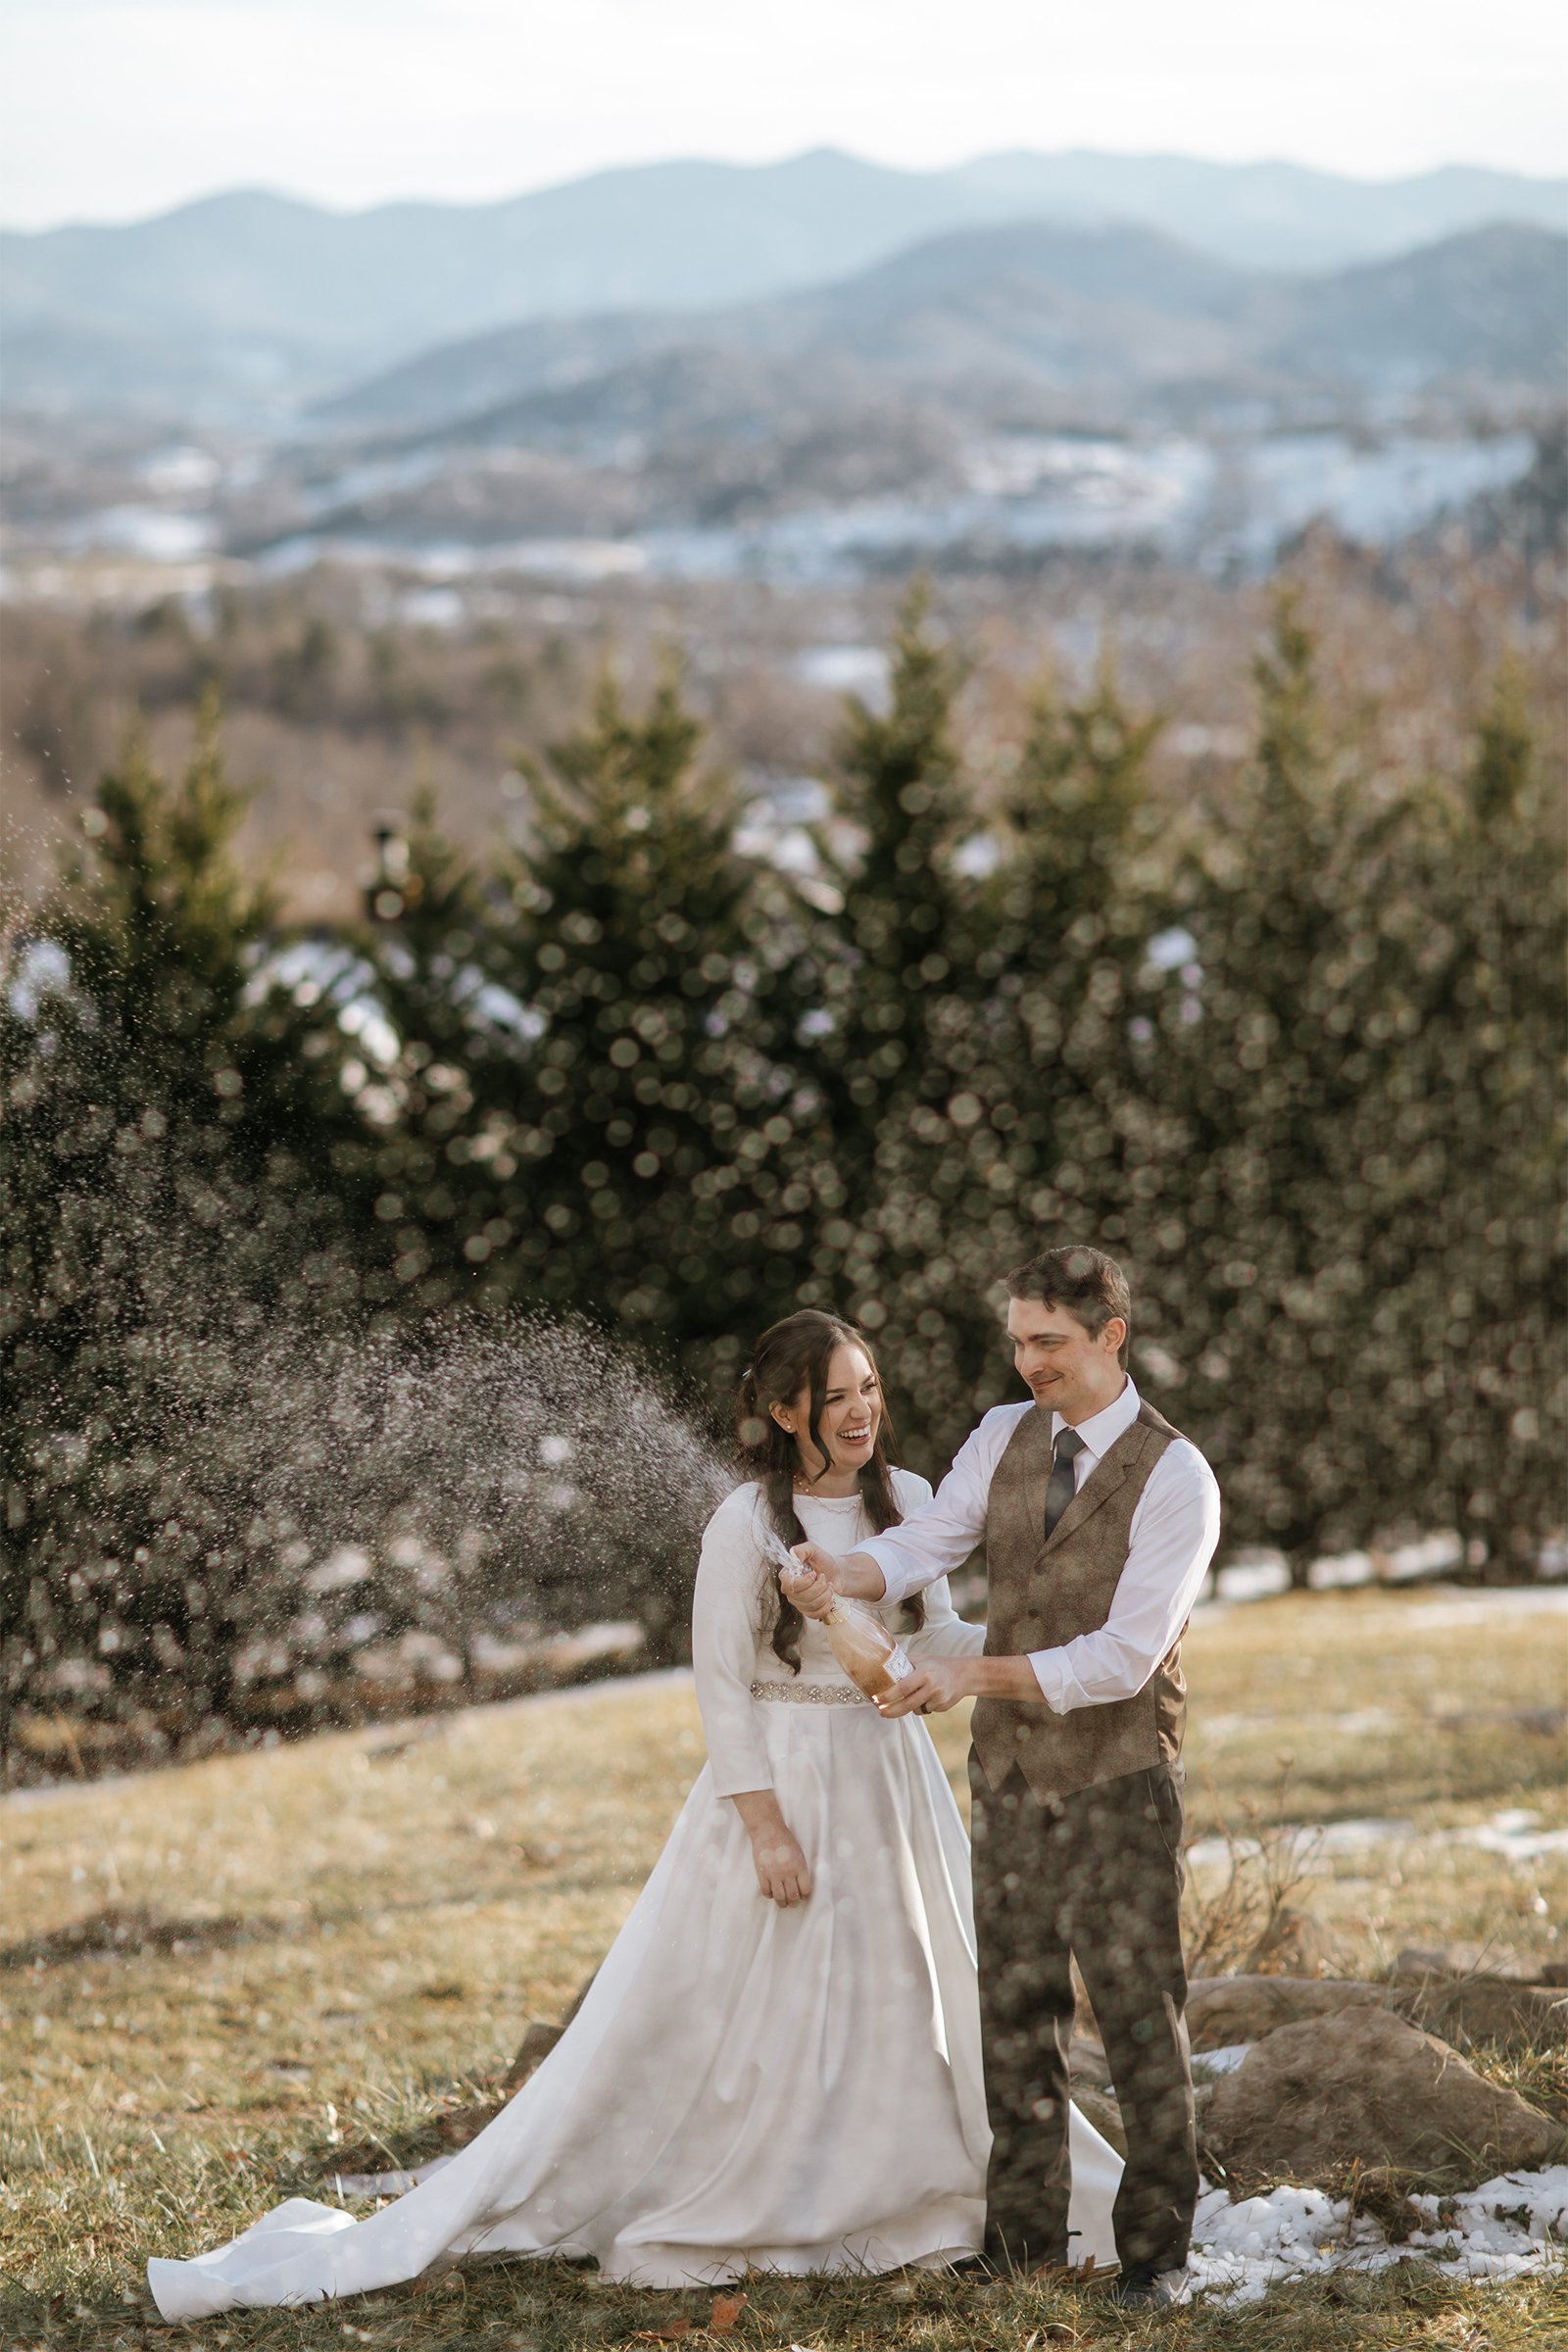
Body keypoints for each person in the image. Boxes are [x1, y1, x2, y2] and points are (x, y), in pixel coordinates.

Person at [146, 1308, 1120, 2323]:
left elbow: (932, 1623)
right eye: (835, 1396)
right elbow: (717, 1686)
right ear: (788, 1411)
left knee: (899, 1984)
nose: (860, 1410)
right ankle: (767, 2192)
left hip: (887, 1777)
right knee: (759, 2005)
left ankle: (900, 2185)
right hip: (782, 1780)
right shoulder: (746, 1522)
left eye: (868, 1388)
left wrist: (999, 1648)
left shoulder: (911, 1499)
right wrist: (765, 1827)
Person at [788, 1249, 1221, 2311]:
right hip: (1014, 1775)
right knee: (1015, 2012)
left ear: (1110, 1336)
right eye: (1018, 1340)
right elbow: (932, 1538)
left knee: (1135, 2014)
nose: (1026, 1361)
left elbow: (1124, 1656)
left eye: (1049, 1343)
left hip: (1119, 1778)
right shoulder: (1000, 1435)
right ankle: (1021, 2240)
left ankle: (1157, 2259)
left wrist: (967, 1673)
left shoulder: (1177, 1477)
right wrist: (848, 1572)